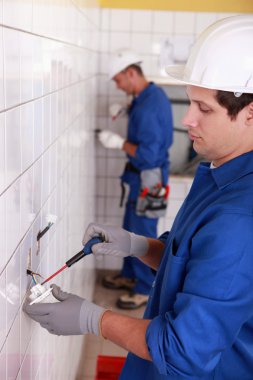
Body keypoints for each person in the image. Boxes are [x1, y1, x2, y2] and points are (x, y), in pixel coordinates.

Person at [24, 14, 253, 380]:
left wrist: (93, 318)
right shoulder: (220, 172)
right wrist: (140, 246)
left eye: (204, 108)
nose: (188, 119)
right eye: (191, 102)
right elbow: (196, 264)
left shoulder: (241, 218)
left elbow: (182, 352)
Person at [98, 48, 173, 309]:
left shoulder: (150, 105)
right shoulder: (146, 96)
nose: (118, 87)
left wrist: (119, 143)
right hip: (140, 178)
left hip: (149, 178)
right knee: (131, 228)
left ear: (131, 73)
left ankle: (143, 289)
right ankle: (130, 276)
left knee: (142, 234)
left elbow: (149, 155)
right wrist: (127, 111)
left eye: (118, 80)